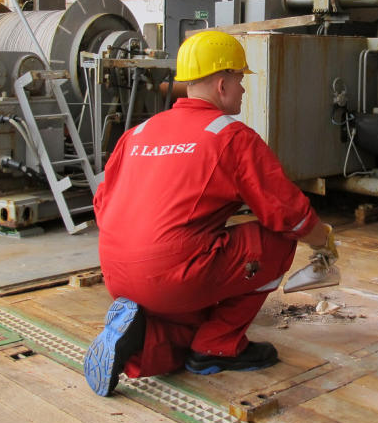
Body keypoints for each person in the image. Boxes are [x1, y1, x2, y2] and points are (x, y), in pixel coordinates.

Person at [83, 30, 338, 396]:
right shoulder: (231, 136)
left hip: (117, 274)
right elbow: (288, 214)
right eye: (239, 79)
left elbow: (103, 205)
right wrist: (323, 241)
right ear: (222, 84)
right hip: (172, 273)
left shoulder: (138, 132)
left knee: (185, 312)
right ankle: (217, 345)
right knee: (275, 240)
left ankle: (141, 339)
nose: (243, 89)